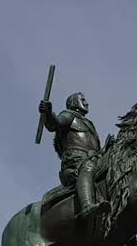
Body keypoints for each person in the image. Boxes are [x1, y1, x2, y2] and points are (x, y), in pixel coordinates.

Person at [39, 92, 110, 233]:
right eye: (83, 100)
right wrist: (47, 113)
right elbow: (54, 124)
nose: (87, 103)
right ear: (74, 103)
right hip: (76, 162)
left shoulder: (89, 124)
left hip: (93, 159)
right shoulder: (69, 115)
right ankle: (87, 206)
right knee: (87, 167)